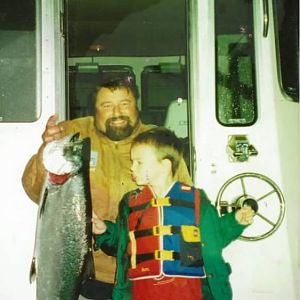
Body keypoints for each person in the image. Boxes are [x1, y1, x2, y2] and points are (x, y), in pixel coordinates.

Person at [21, 77, 192, 300]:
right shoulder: (74, 133)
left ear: (136, 105)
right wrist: (48, 148)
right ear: (94, 110)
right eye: (107, 105)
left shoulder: (159, 141)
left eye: (124, 103)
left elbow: (183, 205)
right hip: (83, 274)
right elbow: (34, 189)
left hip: (144, 274)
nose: (117, 113)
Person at [92, 127, 255, 300]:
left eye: (139, 162)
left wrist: (234, 221)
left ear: (165, 165)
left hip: (186, 291)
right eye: (132, 162)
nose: (132, 168)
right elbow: (122, 244)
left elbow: (214, 239)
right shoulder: (130, 203)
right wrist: (104, 231)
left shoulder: (196, 201)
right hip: (142, 291)